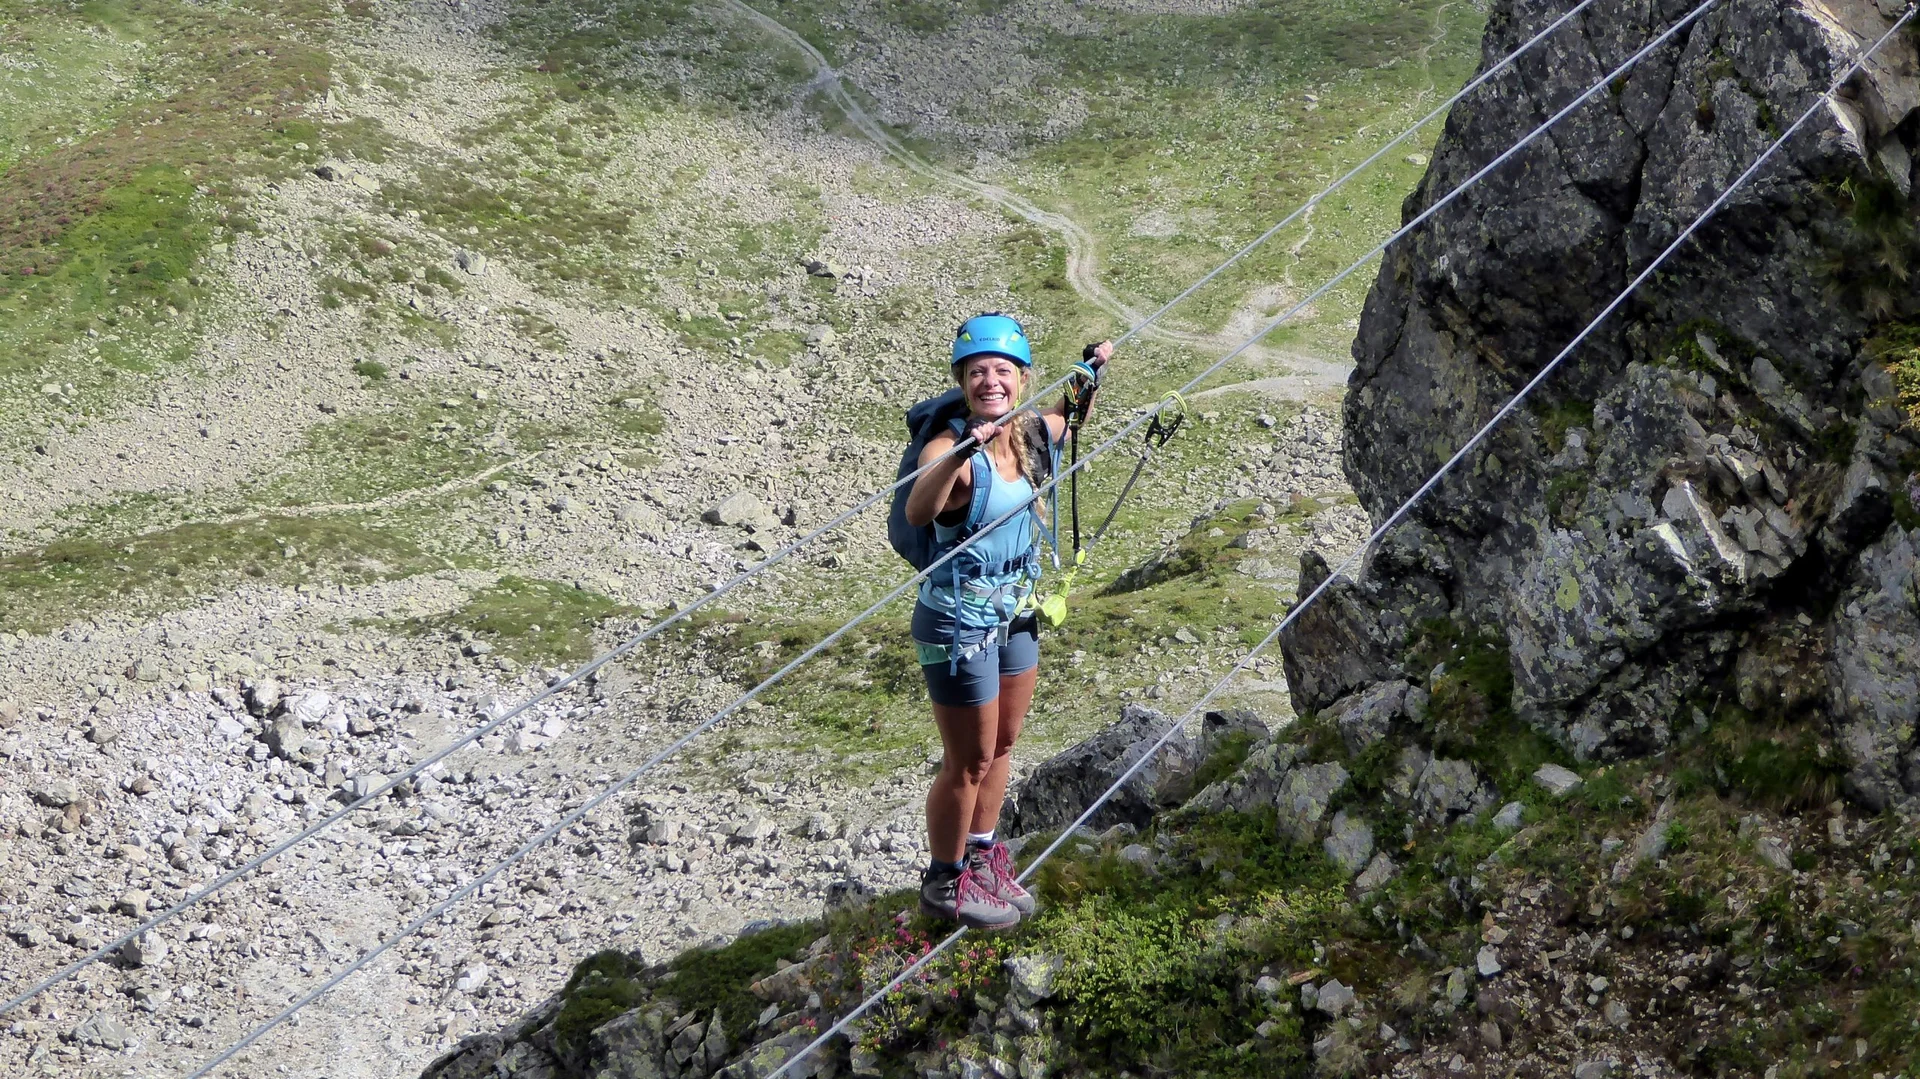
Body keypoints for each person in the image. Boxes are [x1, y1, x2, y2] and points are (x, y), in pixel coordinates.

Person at [903, 312, 1112, 929]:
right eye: (977, 372)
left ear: (1020, 380)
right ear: (962, 383)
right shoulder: (950, 448)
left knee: (1001, 746)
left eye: (1001, 371)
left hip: (1014, 611)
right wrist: (957, 452)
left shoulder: (1025, 434)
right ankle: (944, 882)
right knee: (965, 761)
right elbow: (920, 510)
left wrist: (1090, 374)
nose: (989, 380)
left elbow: (1067, 423)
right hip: (957, 623)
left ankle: (984, 855)